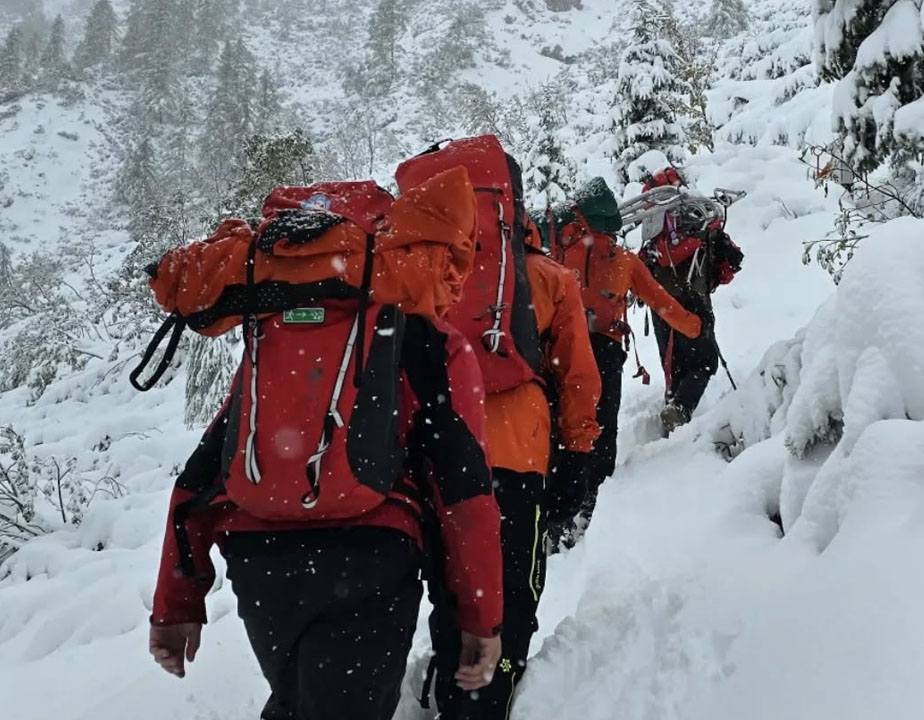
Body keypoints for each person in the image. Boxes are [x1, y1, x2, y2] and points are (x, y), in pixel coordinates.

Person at [146, 171, 505, 720]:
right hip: (371, 554)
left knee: (297, 701)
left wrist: (176, 602)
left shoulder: (272, 332)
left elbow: (205, 470)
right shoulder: (423, 336)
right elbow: (463, 485)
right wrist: (480, 617)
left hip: (260, 561)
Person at [423, 211, 602, 719]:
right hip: (519, 457)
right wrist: (578, 455)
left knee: (453, 582)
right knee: (511, 585)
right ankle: (494, 691)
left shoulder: (435, 273)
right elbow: (579, 378)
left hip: (445, 453)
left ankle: (453, 687)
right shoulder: (549, 278)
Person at [546, 178, 702, 534]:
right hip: (604, 349)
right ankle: (594, 502)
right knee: (602, 424)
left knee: (565, 422)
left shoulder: (558, 253)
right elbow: (663, 304)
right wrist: (696, 327)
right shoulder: (624, 261)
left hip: (561, 349)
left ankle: (557, 510)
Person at [637, 166, 744, 434]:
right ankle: (679, 412)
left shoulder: (653, 241)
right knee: (704, 361)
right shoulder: (702, 227)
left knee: (674, 365)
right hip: (693, 304)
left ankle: (674, 415)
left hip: (661, 307)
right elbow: (727, 268)